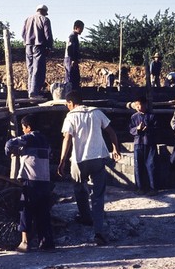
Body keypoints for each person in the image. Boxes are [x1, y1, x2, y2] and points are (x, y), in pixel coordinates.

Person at [58, 90, 121, 246]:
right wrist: (115, 149)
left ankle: (86, 217)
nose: (67, 107)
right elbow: (111, 132)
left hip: (78, 160)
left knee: (79, 189)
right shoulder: (96, 112)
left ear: (71, 103)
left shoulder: (71, 116)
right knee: (98, 196)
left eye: (67, 105)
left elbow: (67, 139)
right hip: (97, 158)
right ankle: (98, 232)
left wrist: (62, 161)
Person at [4, 114, 55, 252]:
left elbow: (9, 144)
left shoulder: (28, 138)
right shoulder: (45, 140)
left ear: (28, 127)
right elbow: (50, 155)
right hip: (44, 180)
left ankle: (25, 243)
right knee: (43, 212)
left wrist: (10, 153)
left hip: (30, 180)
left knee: (25, 209)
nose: (23, 130)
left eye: (23, 127)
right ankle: (46, 244)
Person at [22, 4, 54, 98]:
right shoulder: (45, 19)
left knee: (30, 68)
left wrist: (27, 41)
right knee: (37, 69)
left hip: (28, 46)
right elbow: (48, 35)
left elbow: (22, 33)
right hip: (39, 46)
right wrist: (49, 47)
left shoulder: (28, 19)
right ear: (44, 11)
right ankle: (34, 93)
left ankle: (31, 91)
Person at [129, 95, 158, 196]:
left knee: (151, 165)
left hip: (149, 143)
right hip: (138, 143)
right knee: (138, 166)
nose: (138, 107)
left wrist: (148, 129)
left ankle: (153, 188)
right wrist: (137, 129)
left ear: (145, 104)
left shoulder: (152, 116)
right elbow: (131, 130)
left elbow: (156, 129)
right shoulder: (134, 117)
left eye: (140, 105)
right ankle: (140, 187)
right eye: (136, 105)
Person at [64, 20, 84, 90]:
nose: (82, 30)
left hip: (72, 59)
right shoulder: (72, 37)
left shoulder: (75, 36)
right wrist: (72, 59)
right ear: (76, 27)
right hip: (70, 59)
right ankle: (69, 93)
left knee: (75, 77)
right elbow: (70, 49)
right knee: (70, 76)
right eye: (81, 28)